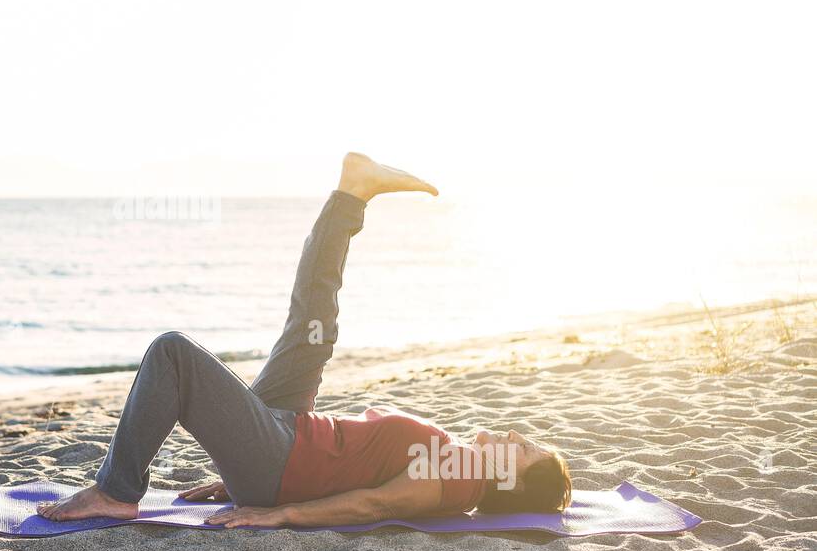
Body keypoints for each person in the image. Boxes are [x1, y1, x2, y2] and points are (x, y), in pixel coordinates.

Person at [38, 152, 571, 529]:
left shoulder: (458, 477)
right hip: (286, 435)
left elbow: (372, 505)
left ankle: (116, 492)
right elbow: (359, 478)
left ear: (509, 480)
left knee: (172, 352)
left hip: (280, 459)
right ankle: (352, 194)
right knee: (314, 324)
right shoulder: (459, 469)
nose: (512, 433)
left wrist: (279, 510)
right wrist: (236, 478)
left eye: (522, 450)